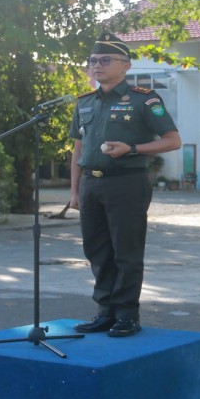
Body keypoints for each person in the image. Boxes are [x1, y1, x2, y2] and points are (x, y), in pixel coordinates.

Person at [69, 32, 182, 338]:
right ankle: (105, 312)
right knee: (96, 251)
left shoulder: (145, 99)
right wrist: (74, 190)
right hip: (91, 185)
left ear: (126, 65)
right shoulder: (84, 103)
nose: (97, 65)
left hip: (126, 183)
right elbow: (78, 150)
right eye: (93, 60)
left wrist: (132, 149)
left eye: (105, 60)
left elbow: (172, 141)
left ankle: (126, 315)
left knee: (126, 252)